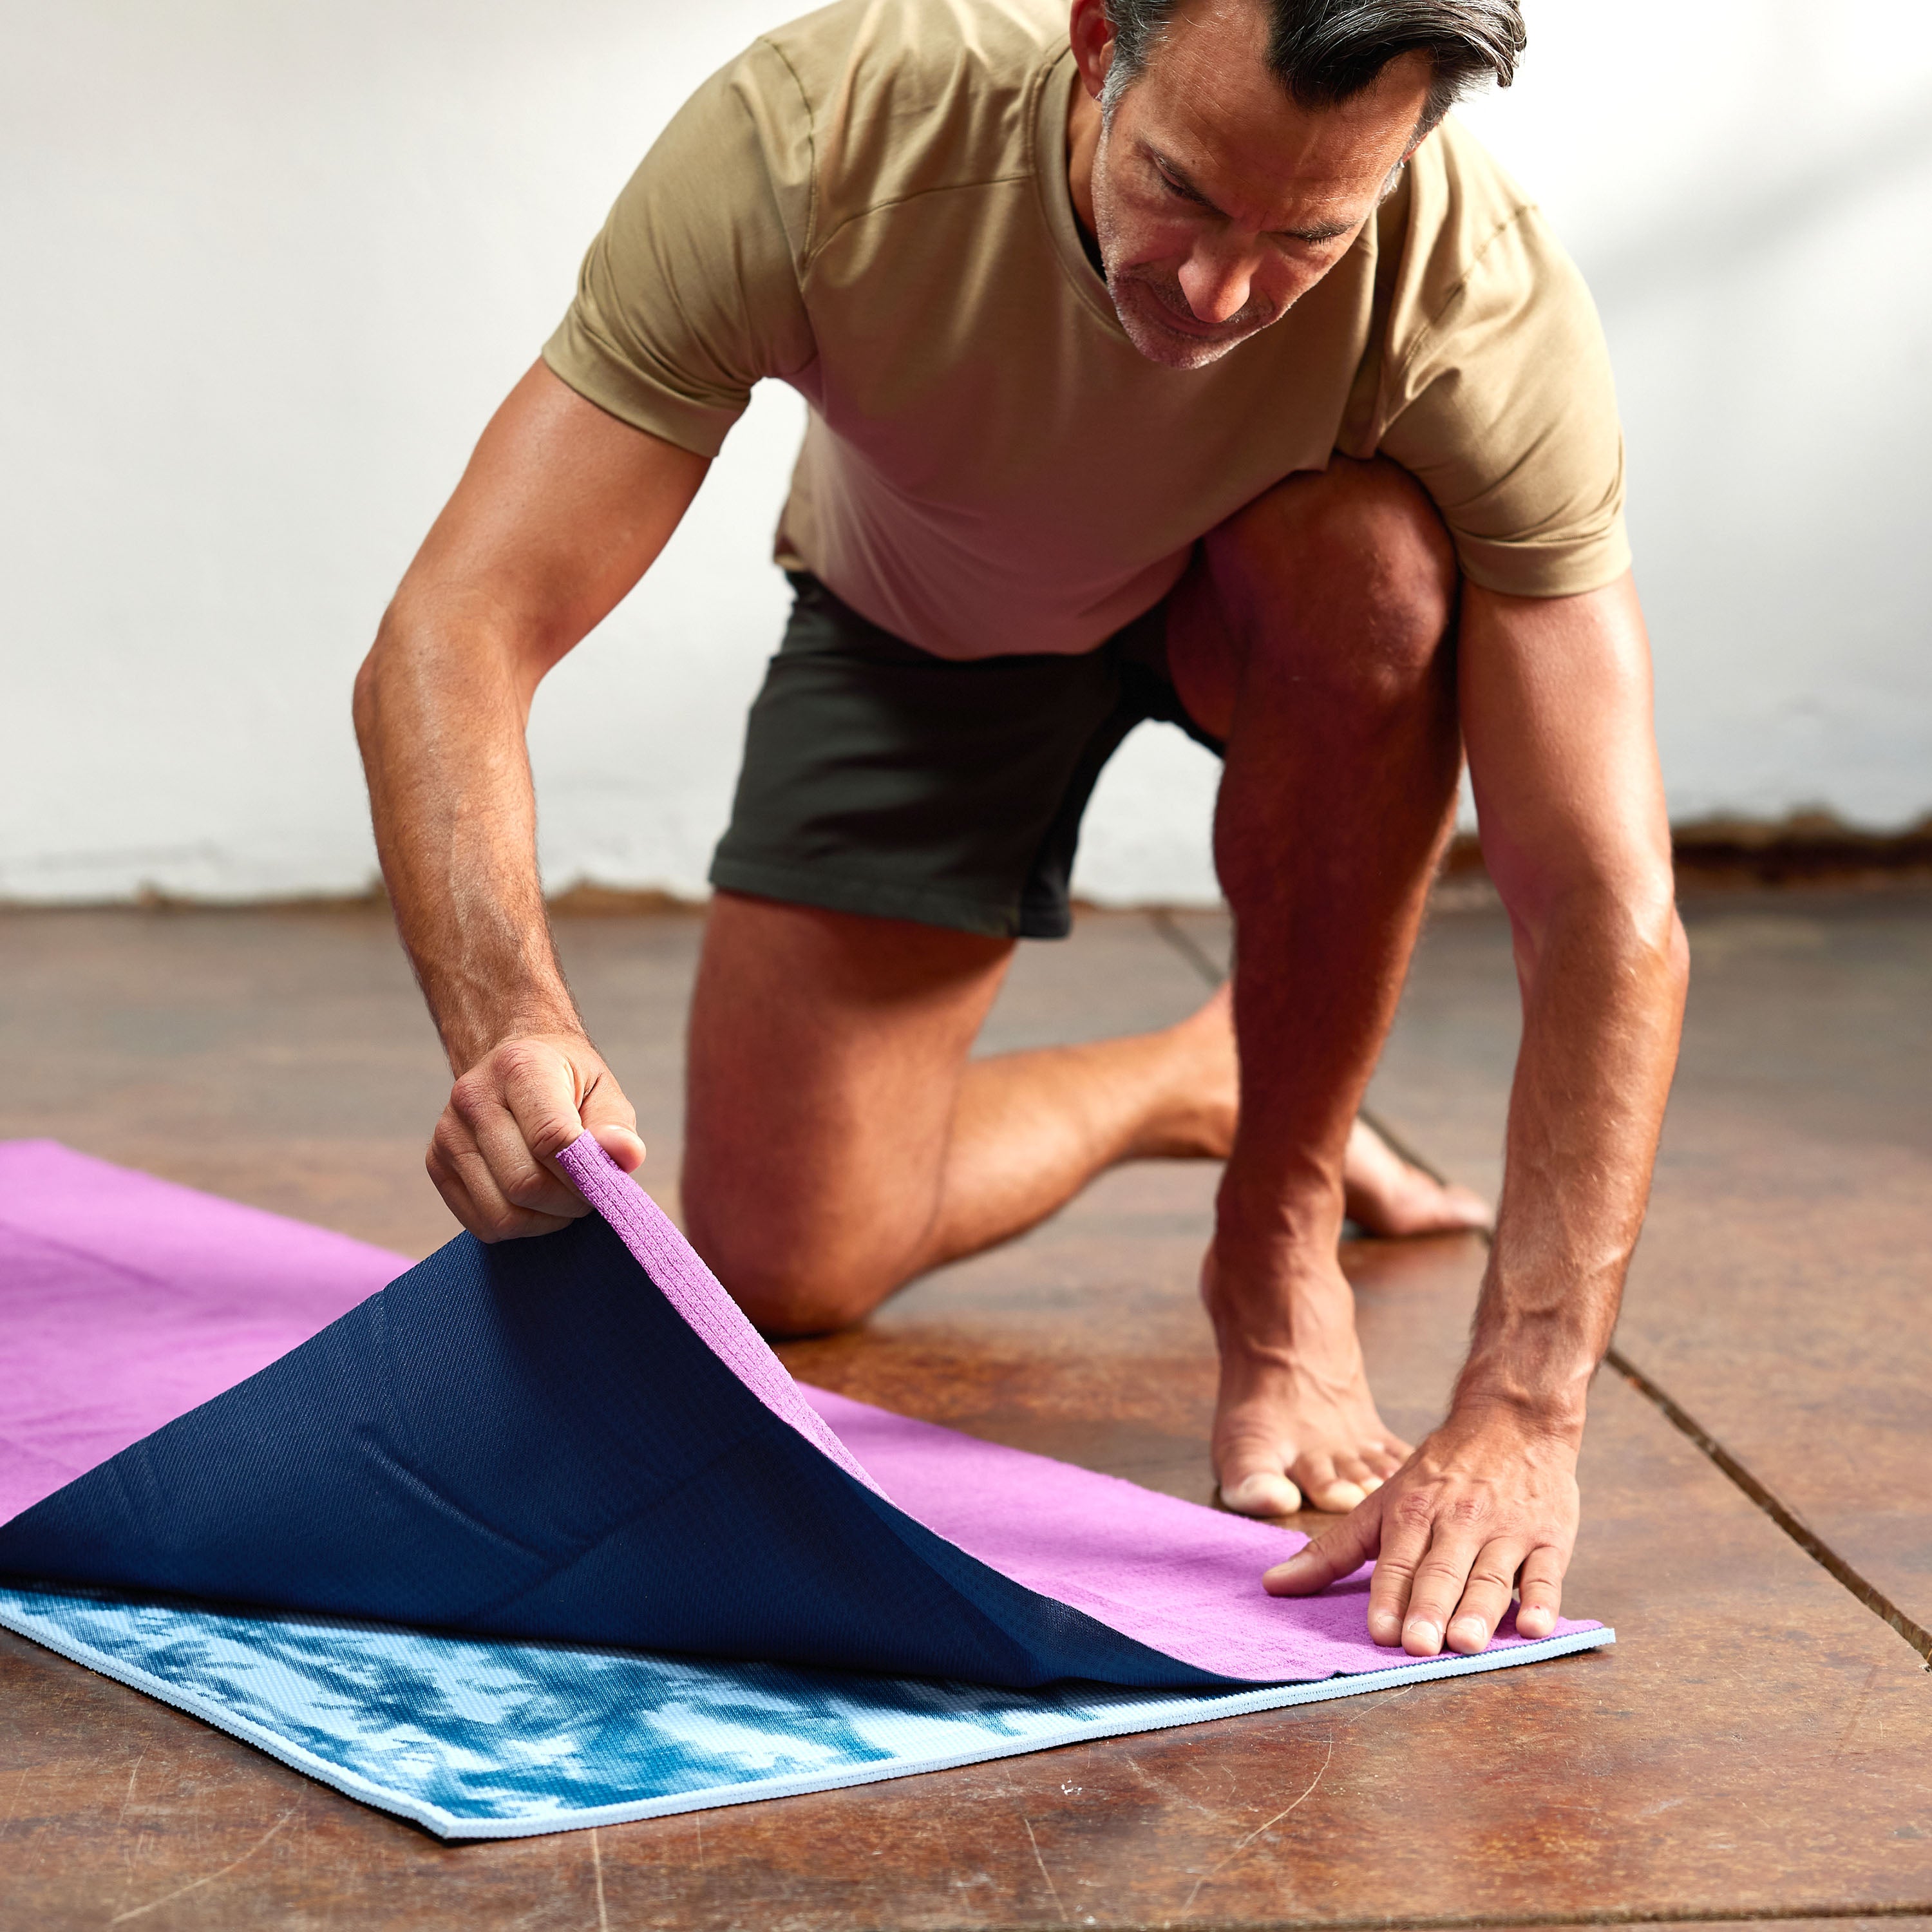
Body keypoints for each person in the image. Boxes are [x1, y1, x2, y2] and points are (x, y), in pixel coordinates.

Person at [354, 0, 1687, 1662]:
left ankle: (1277, 1219)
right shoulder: (818, 137)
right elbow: (456, 629)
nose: (1217, 292)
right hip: (931, 623)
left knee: (1376, 569)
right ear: (1094, 39)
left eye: (1303, 238)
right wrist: (511, 1026)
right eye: (1185, 193)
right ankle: (1193, 1072)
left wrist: (1524, 1414)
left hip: (1272, 612)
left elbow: (1605, 902)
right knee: (789, 1261)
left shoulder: (1476, 290)